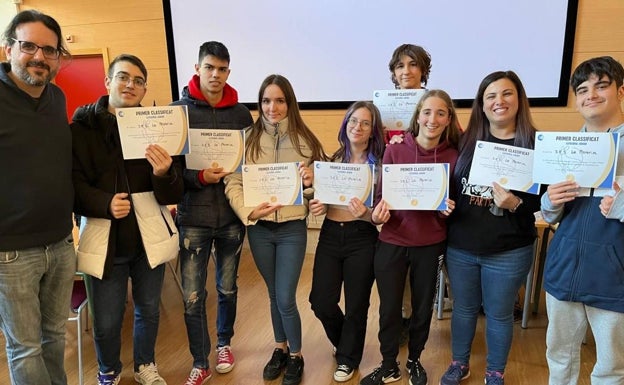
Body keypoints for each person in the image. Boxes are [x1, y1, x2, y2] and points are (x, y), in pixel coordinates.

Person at [72, 54, 184, 385]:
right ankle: (108, 369)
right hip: (105, 241)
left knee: (148, 310)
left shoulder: (158, 126)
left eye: (138, 80)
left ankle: (145, 365)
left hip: (148, 239)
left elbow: (172, 193)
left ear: (145, 87)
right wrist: (105, 203)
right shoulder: (81, 130)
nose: (130, 85)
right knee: (106, 320)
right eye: (123, 77)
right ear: (107, 82)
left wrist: (164, 173)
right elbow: (73, 184)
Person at [224, 74, 325, 385]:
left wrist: (310, 185)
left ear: (289, 102)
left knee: (284, 296)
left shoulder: (305, 140)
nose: (272, 107)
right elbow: (233, 182)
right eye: (266, 100)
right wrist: (247, 211)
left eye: (279, 100)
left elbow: (320, 187)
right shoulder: (247, 139)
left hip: (293, 228)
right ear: (260, 104)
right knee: (272, 294)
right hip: (260, 228)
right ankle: (279, 349)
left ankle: (296, 354)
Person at [440, 71, 540, 385]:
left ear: (519, 99)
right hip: (461, 247)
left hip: (509, 250)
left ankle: (495, 372)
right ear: (481, 105)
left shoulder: (537, 145)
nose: (499, 101)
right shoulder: (465, 141)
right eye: (491, 96)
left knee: (498, 314)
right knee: (464, 310)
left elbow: (546, 203)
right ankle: (459, 363)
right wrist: (443, 201)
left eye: (507, 94)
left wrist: (517, 205)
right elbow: (449, 185)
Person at [360, 90, 460, 385]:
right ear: (418, 115)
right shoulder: (395, 150)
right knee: (389, 308)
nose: (432, 119)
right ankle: (388, 363)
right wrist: (377, 214)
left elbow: (453, 204)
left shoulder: (453, 156)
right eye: (427, 112)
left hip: (430, 244)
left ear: (448, 119)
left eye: (440, 113)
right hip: (392, 241)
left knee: (422, 307)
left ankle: (415, 359)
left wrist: (447, 211)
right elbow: (380, 199)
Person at [170, 41, 253, 385]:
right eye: (209, 68)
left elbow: (251, 165)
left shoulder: (241, 114)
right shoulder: (178, 111)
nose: (215, 75)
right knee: (192, 297)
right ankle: (199, 360)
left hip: (232, 219)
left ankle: (224, 343)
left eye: (221, 69)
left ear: (228, 72)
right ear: (197, 68)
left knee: (228, 289)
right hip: (193, 220)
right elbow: (171, 172)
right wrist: (200, 177)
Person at [0, 10, 76, 385]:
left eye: (49, 50)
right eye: (28, 45)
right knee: (25, 349)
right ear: (8, 48)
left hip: (61, 244)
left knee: (54, 340)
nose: (39, 57)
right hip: (11, 253)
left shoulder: (57, 97)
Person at [541, 56, 624, 385]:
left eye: (601, 86)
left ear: (620, 91)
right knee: (559, 355)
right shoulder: (563, 149)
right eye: (583, 89)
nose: (591, 94)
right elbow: (549, 214)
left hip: (613, 274)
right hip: (564, 269)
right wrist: (550, 200)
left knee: (611, 366)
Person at [308, 101, 385, 382]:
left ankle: (347, 359)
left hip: (362, 238)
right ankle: (346, 345)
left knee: (356, 305)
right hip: (329, 234)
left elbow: (380, 220)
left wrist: (366, 214)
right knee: (320, 301)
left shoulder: (380, 166)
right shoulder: (332, 162)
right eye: (354, 120)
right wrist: (319, 207)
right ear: (345, 124)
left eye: (366, 123)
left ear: (373, 130)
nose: (358, 127)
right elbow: (324, 204)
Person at [386, 44, 436, 346]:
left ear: (423, 71)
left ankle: (416, 324)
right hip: (393, 201)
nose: (406, 71)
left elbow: (450, 142)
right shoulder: (382, 108)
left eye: (413, 65)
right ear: (393, 72)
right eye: (400, 65)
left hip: (428, 203)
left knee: (421, 276)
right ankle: (401, 321)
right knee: (396, 272)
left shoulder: (435, 105)